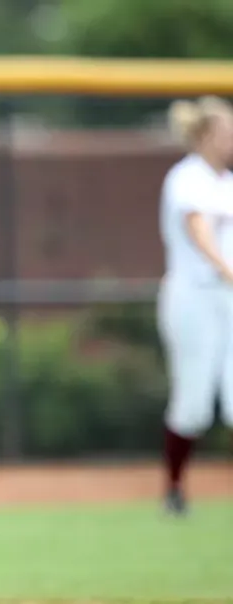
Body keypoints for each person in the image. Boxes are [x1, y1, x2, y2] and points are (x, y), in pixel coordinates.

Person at [155, 95, 233, 518]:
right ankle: (174, 488)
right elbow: (198, 228)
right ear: (204, 135)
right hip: (193, 296)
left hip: (228, 298)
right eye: (225, 131)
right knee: (193, 403)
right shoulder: (186, 178)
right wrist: (226, 269)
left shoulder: (228, 183)